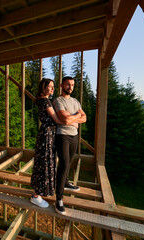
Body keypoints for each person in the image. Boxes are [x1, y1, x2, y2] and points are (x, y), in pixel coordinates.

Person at [30, 78, 77, 208]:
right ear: (43, 88)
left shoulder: (43, 100)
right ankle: (35, 196)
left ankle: (38, 193)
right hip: (47, 135)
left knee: (44, 162)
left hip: (47, 134)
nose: (52, 89)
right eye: (49, 87)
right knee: (44, 163)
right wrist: (72, 122)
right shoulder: (45, 101)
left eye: (53, 87)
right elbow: (56, 119)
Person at [53, 76, 87, 215]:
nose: (70, 87)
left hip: (74, 136)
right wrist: (75, 117)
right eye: (67, 84)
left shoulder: (75, 101)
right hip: (62, 135)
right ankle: (59, 199)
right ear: (62, 85)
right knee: (64, 164)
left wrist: (72, 119)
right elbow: (65, 120)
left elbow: (84, 118)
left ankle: (66, 182)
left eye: (72, 85)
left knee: (69, 162)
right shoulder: (58, 101)